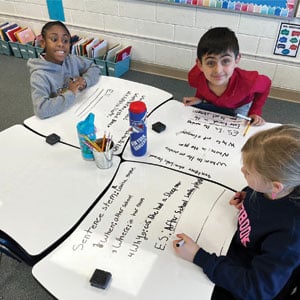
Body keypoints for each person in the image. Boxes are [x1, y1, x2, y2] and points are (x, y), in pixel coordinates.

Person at [173, 124, 300, 300]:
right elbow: (264, 193)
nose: (242, 171)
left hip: (254, 280)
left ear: (275, 186)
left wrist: (199, 256)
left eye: (248, 171)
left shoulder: (289, 235)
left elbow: (257, 289)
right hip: (236, 247)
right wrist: (248, 196)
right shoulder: (277, 188)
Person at [183, 27, 271, 126]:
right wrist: (199, 97)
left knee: (239, 130)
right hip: (214, 104)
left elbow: (266, 83)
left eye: (225, 61)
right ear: (200, 65)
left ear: (236, 60)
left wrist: (255, 111)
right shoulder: (195, 77)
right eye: (210, 63)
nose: (218, 70)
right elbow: (201, 84)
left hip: (240, 105)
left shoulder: (248, 81)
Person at [27, 21, 101, 119]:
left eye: (65, 41)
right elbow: (41, 109)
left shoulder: (71, 59)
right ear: (43, 43)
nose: (61, 44)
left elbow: (94, 67)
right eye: (54, 39)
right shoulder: (39, 75)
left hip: (78, 111)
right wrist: (70, 93)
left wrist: (85, 80)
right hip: (58, 119)